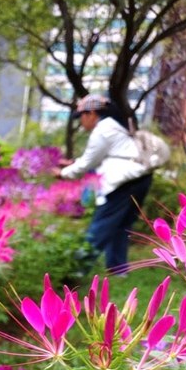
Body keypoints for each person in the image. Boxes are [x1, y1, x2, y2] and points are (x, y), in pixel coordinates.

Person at [54, 94, 152, 276]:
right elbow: (105, 157)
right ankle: (118, 269)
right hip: (140, 179)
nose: (81, 122)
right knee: (121, 225)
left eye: (81, 116)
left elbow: (87, 163)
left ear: (91, 113)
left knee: (101, 225)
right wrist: (74, 163)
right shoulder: (115, 127)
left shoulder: (103, 130)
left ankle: (76, 270)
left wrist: (63, 174)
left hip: (122, 183)